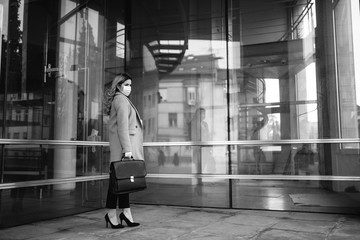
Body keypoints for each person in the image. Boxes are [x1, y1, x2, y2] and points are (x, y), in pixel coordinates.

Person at [103, 73, 143, 229]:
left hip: (122, 148)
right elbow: (122, 127)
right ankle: (112, 214)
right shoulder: (121, 100)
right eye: (126, 85)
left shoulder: (122, 100)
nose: (129, 88)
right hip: (122, 148)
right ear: (119, 86)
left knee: (123, 181)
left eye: (131, 85)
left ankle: (126, 213)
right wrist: (127, 150)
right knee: (117, 182)